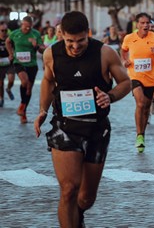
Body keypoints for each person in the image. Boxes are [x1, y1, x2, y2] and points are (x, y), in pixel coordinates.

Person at [33, 11, 131, 228]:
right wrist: (42, 110)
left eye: (80, 41)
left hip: (96, 129)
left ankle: (78, 213)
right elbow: (48, 81)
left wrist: (110, 96)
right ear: (61, 35)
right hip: (64, 127)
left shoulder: (105, 53)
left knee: (86, 198)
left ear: (88, 33)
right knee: (69, 189)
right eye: (69, 41)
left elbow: (126, 82)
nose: (75, 46)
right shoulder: (52, 54)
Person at [121, 13, 154, 152]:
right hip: (134, 76)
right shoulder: (129, 38)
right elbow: (123, 51)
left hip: (150, 78)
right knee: (140, 103)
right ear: (137, 24)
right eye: (142, 23)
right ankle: (139, 135)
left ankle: (143, 134)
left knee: (146, 107)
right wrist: (125, 60)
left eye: (148, 22)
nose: (146, 25)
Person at [6, 16, 45, 123]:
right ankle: (22, 108)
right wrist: (10, 54)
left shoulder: (35, 34)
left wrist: (36, 45)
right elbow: (7, 41)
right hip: (19, 62)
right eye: (26, 27)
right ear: (22, 24)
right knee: (24, 81)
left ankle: (23, 110)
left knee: (28, 89)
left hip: (32, 64)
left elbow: (42, 50)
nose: (27, 29)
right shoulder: (15, 33)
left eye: (29, 27)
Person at [0, 22, 12, 107]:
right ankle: (1, 98)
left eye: (6, 30)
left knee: (11, 79)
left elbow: (15, 48)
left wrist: (12, 54)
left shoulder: (10, 39)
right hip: (0, 64)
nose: (4, 32)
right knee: (0, 83)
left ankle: (8, 88)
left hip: (10, 63)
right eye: (2, 30)